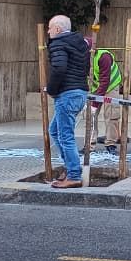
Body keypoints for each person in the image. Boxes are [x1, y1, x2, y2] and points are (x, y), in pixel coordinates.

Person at [44, 14, 90, 189]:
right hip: (79, 92)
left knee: (66, 136)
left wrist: (52, 89)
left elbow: (59, 68)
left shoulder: (58, 43)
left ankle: (73, 175)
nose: (48, 31)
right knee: (54, 130)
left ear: (57, 29)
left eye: (49, 28)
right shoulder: (80, 44)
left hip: (67, 94)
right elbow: (85, 67)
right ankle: (70, 167)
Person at [87, 40, 122, 155]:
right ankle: (90, 145)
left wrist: (95, 104)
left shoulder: (104, 57)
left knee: (111, 115)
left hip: (111, 86)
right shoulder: (81, 57)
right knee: (90, 116)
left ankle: (110, 144)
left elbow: (105, 82)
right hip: (95, 87)